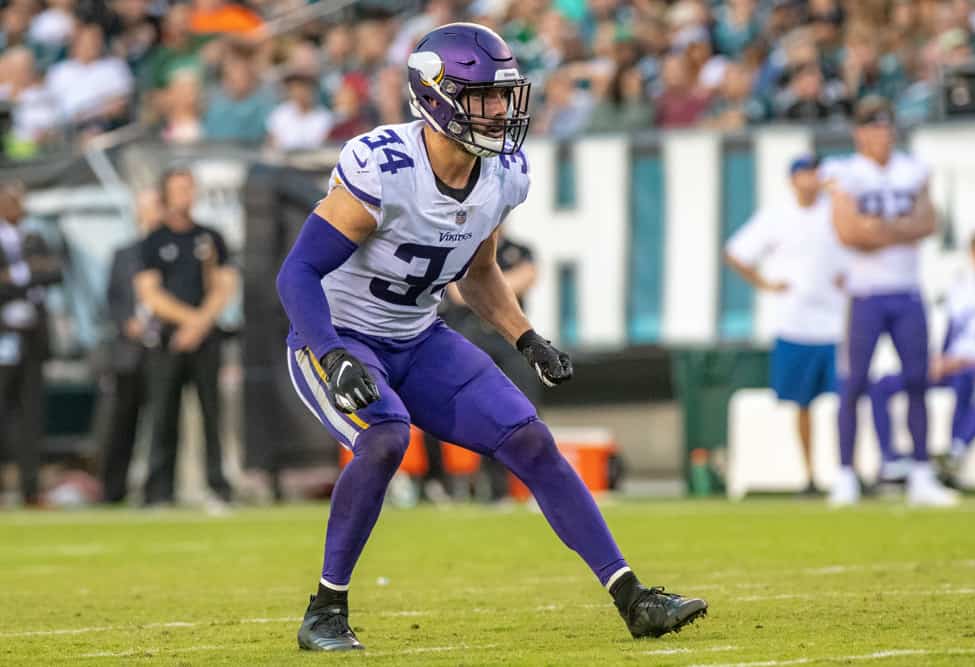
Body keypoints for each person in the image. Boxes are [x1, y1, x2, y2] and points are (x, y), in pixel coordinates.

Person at [276, 23, 707, 652]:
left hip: (416, 336)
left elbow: (478, 274)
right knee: (387, 435)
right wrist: (333, 353)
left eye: (504, 96)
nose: (500, 110)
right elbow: (297, 272)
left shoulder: (502, 173)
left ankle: (633, 597)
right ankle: (325, 610)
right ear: (435, 95)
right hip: (337, 332)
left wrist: (527, 336)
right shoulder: (385, 167)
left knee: (530, 439)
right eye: (483, 96)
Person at [823, 96, 956, 507]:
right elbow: (848, 233)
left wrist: (877, 231)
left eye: (885, 126)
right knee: (855, 383)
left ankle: (920, 471)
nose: (881, 134)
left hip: (907, 291)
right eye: (872, 126)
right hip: (865, 295)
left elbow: (928, 222)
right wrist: (900, 230)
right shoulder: (845, 171)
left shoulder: (913, 169)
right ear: (859, 133)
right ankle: (846, 473)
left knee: (918, 380)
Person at [725, 155, 846, 495]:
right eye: (803, 175)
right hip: (795, 323)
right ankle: (809, 474)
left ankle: (847, 469)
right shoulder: (776, 217)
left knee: (846, 399)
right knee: (802, 403)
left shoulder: (835, 211)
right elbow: (736, 252)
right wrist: (765, 284)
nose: (809, 181)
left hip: (836, 321)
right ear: (792, 180)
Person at [134, 168, 237, 507]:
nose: (185, 195)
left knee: (212, 413)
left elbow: (225, 286)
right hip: (168, 338)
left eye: (189, 188)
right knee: (164, 413)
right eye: (178, 189)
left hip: (205, 338)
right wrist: (188, 321)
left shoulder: (211, 238)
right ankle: (158, 491)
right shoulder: (154, 240)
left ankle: (218, 487)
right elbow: (150, 293)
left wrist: (201, 323)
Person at [870, 232, 975, 488]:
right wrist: (940, 359)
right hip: (954, 366)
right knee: (883, 385)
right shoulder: (961, 289)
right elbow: (952, 332)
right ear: (973, 256)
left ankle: (955, 451)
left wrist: (967, 362)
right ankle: (891, 458)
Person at [442, 229, 540, 502]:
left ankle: (531, 487)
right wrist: (502, 284)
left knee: (525, 409)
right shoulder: (458, 243)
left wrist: (485, 284)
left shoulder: (517, 248)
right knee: (480, 414)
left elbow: (529, 277)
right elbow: (458, 293)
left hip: (510, 339)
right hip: (471, 337)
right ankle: (478, 487)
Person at [0, 182, 62, 506]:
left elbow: (54, 272)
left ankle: (30, 488)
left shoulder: (34, 237)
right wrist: (26, 274)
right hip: (3, 335)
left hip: (32, 337)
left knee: (31, 415)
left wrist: (14, 276)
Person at [99, 188, 163, 504]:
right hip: (129, 350)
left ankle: (156, 491)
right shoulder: (124, 253)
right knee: (121, 422)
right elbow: (112, 298)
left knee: (162, 425)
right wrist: (127, 322)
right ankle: (112, 490)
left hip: (163, 347)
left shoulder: (169, 249)